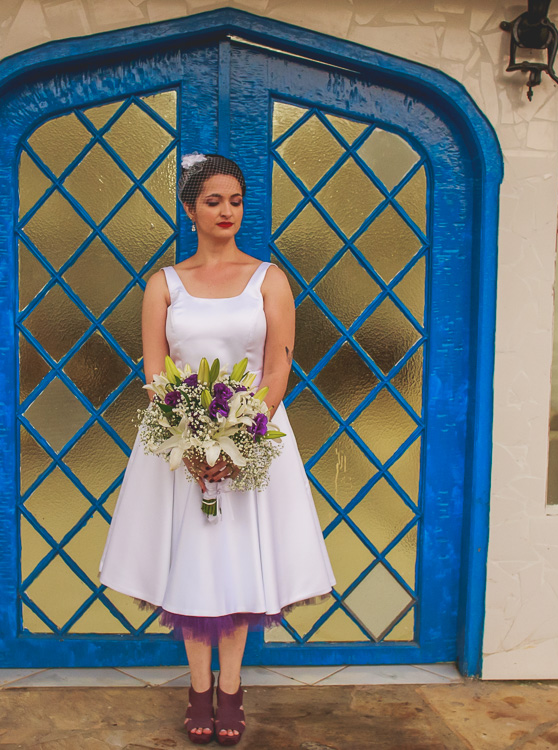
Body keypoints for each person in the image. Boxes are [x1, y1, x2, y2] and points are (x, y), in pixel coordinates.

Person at [99, 152, 336, 745]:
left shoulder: (270, 279)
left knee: (239, 562)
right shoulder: (164, 284)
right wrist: (194, 441)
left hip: (255, 443)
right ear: (190, 208)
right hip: (178, 450)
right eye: (213, 201)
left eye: (235, 200)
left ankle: (230, 688)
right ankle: (196, 686)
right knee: (194, 562)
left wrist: (238, 439)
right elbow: (155, 372)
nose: (226, 210)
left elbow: (279, 367)